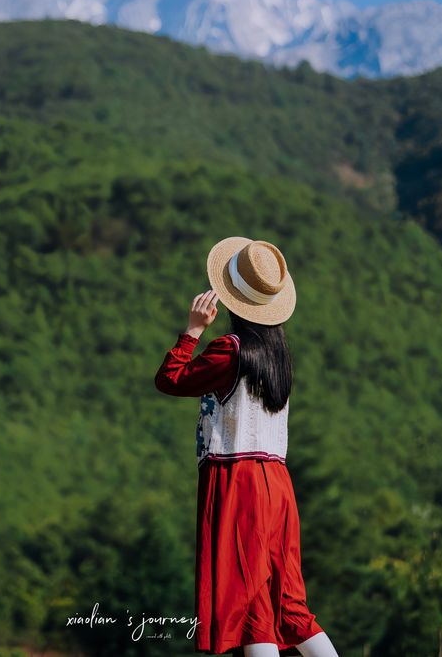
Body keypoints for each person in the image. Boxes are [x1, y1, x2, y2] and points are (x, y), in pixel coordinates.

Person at [154, 237, 340, 657]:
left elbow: (170, 380)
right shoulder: (278, 356)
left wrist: (193, 331)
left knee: (247, 601)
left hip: (239, 482)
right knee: (284, 600)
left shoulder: (228, 351)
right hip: (278, 482)